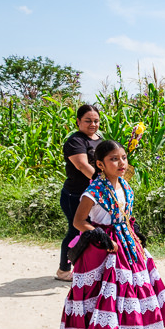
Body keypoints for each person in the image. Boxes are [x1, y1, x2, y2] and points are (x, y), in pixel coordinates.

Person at [57, 140, 165, 329]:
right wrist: (101, 237)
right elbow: (78, 221)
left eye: (123, 157)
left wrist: (135, 230)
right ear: (100, 165)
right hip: (104, 247)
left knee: (132, 291)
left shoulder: (125, 186)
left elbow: (126, 215)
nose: (121, 163)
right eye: (113, 159)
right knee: (106, 291)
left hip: (128, 243)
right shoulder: (93, 191)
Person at [57, 104, 102, 282]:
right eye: (88, 121)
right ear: (78, 122)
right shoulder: (75, 141)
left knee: (94, 230)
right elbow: (83, 165)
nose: (93, 124)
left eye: (96, 121)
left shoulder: (99, 139)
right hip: (75, 195)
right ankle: (63, 270)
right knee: (76, 231)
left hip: (94, 195)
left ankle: (88, 267)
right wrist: (102, 183)